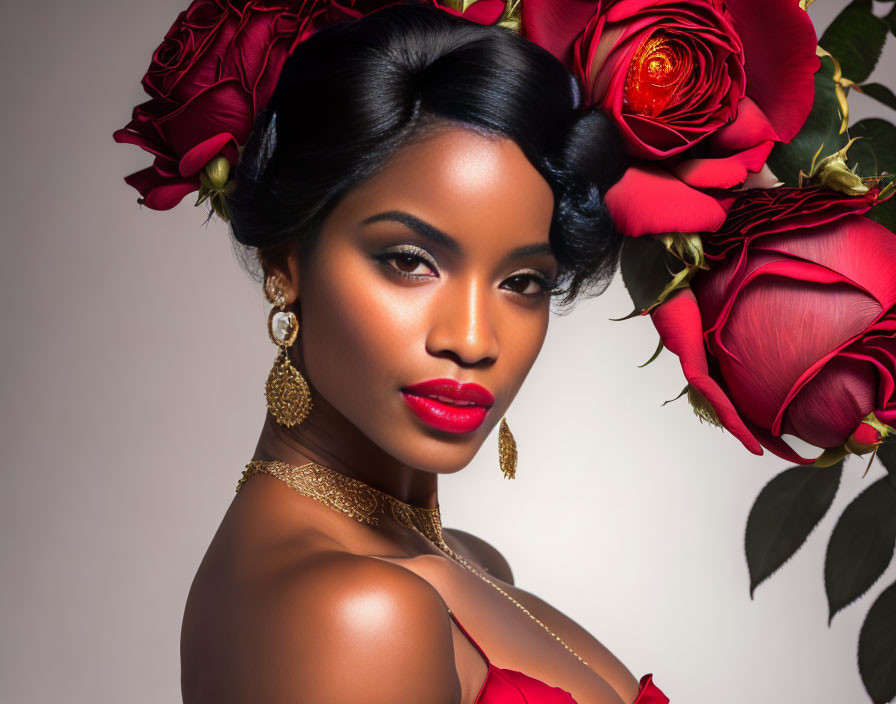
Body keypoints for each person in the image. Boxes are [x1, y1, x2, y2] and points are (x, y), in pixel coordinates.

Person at [131, 4, 666, 703]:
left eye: (522, 282)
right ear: (285, 260)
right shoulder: (356, 615)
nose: (473, 340)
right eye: (410, 261)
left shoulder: (462, 564)